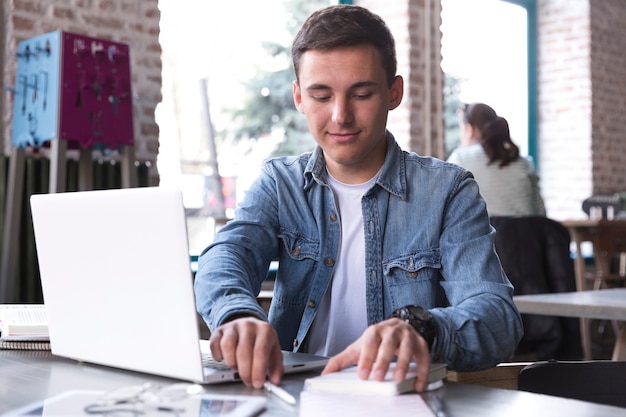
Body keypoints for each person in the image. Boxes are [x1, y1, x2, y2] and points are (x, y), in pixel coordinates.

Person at [194, 5, 523, 393]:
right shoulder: (279, 183)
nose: (340, 116)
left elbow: (498, 318)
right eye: (321, 95)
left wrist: (421, 327)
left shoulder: (448, 191)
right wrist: (236, 315)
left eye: (362, 93)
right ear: (299, 97)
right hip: (291, 398)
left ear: (393, 93)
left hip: (395, 403)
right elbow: (224, 257)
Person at [447, 102, 546, 217]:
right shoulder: (524, 163)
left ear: (469, 130)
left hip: (482, 234)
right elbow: (540, 213)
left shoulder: (460, 159)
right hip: (528, 233)